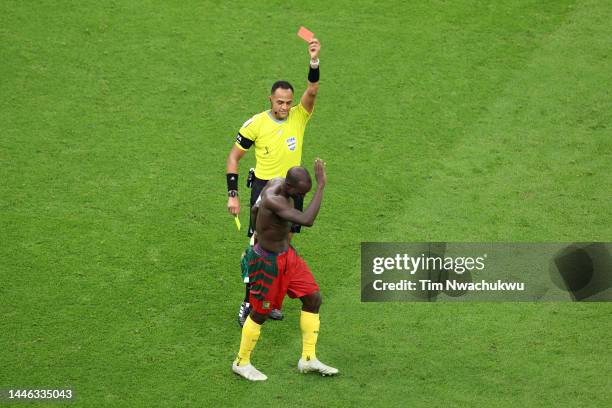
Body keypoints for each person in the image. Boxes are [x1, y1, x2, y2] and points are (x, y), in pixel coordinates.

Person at [226, 38, 321, 325]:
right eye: (280, 102)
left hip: (292, 190)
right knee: (259, 249)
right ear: (270, 99)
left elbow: (313, 90)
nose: (284, 106)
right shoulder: (255, 124)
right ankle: (248, 303)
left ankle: (272, 300)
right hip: (264, 190)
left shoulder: (299, 116)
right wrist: (233, 194)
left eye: (288, 102)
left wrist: (314, 61)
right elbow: (233, 159)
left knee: (284, 247)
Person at [231, 159, 338, 381]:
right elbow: (307, 220)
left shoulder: (276, 182)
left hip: (287, 256)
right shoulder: (275, 199)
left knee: (313, 298)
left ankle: (308, 358)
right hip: (267, 263)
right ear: (290, 187)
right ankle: (241, 362)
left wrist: (258, 234)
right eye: (301, 193)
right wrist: (320, 186)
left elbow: (254, 209)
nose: (302, 197)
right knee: (260, 312)